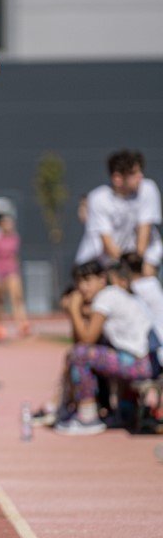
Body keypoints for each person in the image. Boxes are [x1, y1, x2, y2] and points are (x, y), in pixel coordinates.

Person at [57, 260, 153, 435]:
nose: (82, 287)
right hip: (145, 361)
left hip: (140, 364)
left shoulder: (106, 297)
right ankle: (124, 412)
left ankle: (87, 417)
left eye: (87, 281)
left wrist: (73, 310)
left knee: (80, 354)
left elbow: (85, 340)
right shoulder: (114, 295)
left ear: (102, 279)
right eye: (79, 282)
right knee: (91, 352)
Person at [75, 150, 161, 272]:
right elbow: (107, 243)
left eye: (140, 171)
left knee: (147, 273)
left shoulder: (148, 189)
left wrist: (136, 268)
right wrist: (123, 271)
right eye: (133, 173)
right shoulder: (98, 198)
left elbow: (144, 232)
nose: (140, 176)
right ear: (117, 178)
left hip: (140, 259)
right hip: (103, 262)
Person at [0, 213, 30, 339]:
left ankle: (22, 324)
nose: (8, 225)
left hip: (12, 271)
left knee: (17, 297)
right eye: (6, 223)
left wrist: (17, 271)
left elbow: (15, 256)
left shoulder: (15, 238)